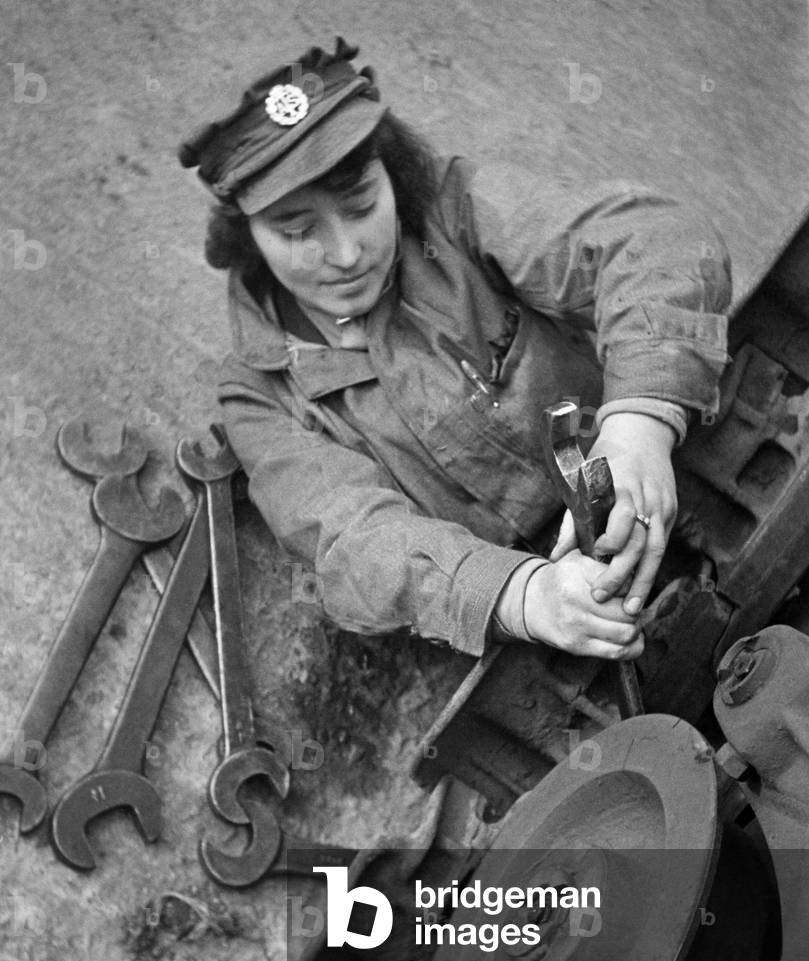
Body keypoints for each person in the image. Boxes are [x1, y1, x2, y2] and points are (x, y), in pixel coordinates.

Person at [178, 37, 731, 667]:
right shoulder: (257, 396)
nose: (347, 253)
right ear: (245, 236)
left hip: (658, 481)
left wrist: (640, 420)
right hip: (528, 626)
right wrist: (526, 595)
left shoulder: (458, 211)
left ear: (392, 176)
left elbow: (658, 241)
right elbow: (354, 542)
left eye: (361, 207)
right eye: (299, 232)